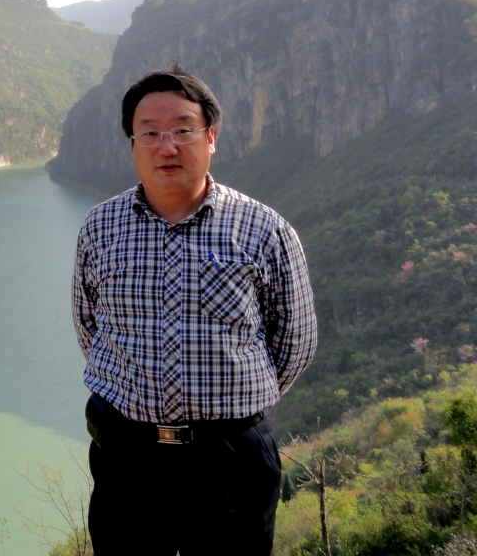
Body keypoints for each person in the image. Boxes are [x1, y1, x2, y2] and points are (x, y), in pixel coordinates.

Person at [71, 63, 317, 555]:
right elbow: (89, 327)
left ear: (211, 138)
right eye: (150, 133)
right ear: (133, 144)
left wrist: (229, 408)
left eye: (183, 130)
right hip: (127, 458)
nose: (167, 147)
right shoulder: (99, 228)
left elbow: (295, 343)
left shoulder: (264, 230)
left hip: (230, 460)